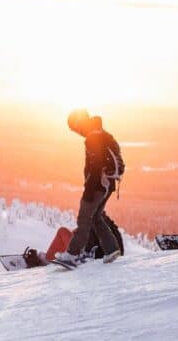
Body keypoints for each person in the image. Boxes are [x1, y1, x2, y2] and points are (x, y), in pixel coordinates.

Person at [55, 109, 125, 267]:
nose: (76, 131)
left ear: (79, 123)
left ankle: (72, 255)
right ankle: (111, 249)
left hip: (98, 185)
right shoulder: (103, 134)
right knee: (96, 217)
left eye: (74, 128)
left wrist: (89, 191)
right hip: (109, 183)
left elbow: (96, 165)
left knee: (84, 218)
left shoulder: (93, 138)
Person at [23, 212, 125, 267]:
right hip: (90, 252)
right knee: (67, 233)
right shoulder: (105, 222)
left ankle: (47, 260)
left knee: (62, 231)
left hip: (87, 254)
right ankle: (50, 257)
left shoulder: (97, 220)